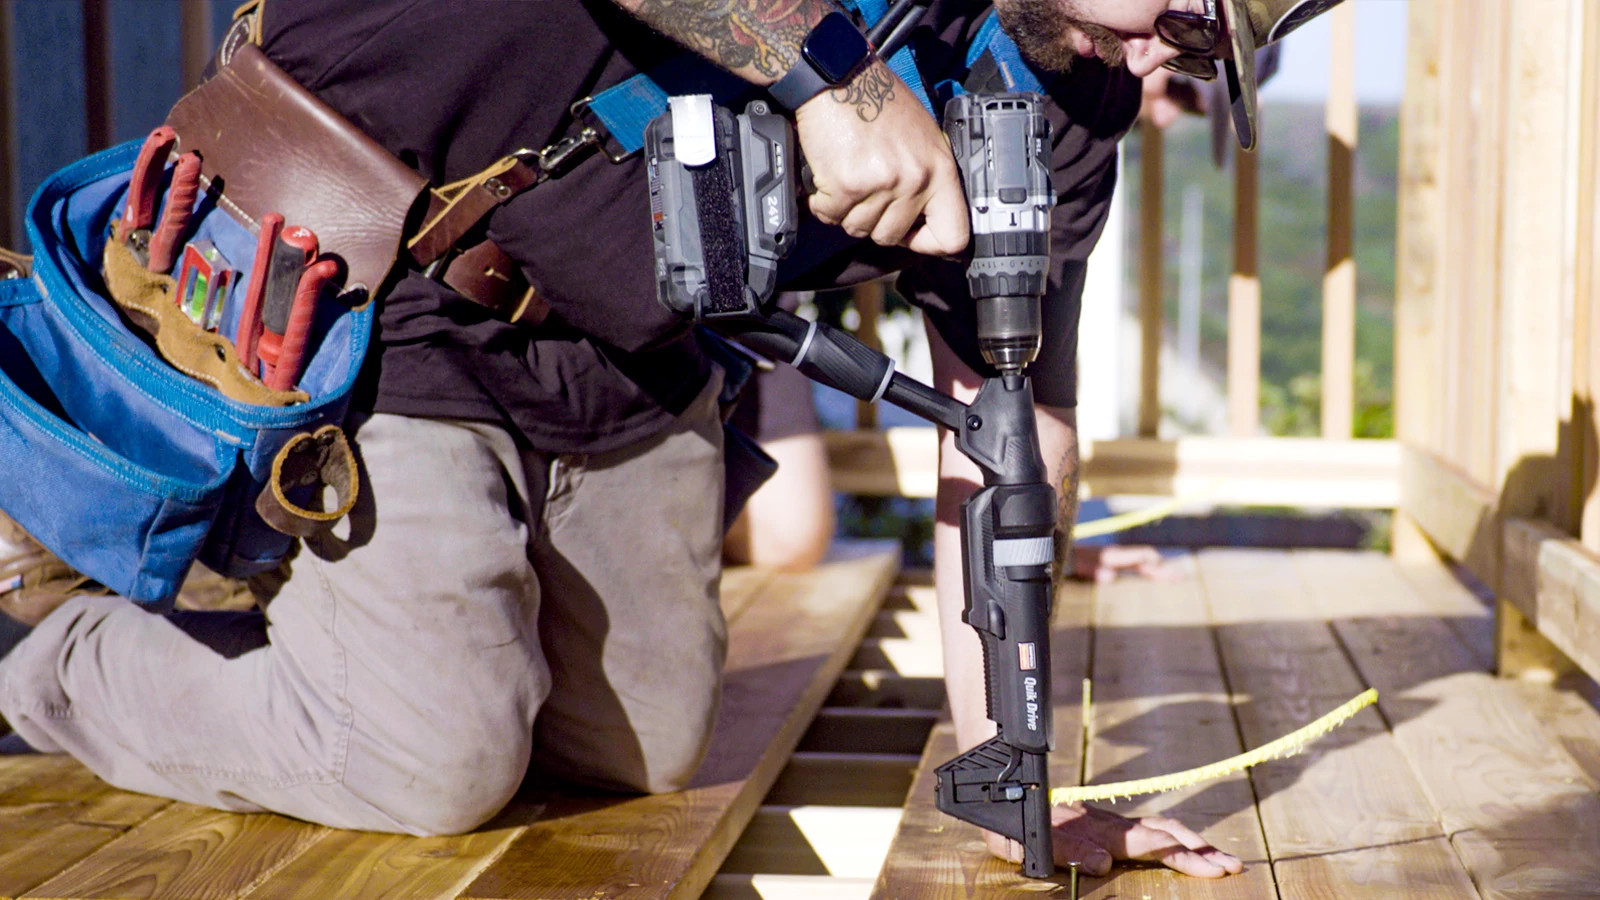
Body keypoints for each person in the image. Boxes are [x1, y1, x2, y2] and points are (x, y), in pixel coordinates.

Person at [0, 0, 1343, 879]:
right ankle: (46, 649)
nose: (1167, 55)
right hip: (371, 276)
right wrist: (835, 77)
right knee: (435, 762)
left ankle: (358, 636)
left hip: (625, 355)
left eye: (1212, 49)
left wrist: (1009, 774)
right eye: (1179, 12)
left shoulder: (1066, 109)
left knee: (639, 749)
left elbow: (1012, 436)